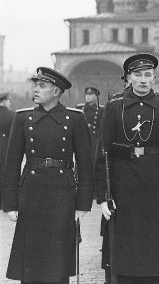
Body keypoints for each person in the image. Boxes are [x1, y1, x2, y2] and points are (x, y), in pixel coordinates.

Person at [95, 53, 159, 284]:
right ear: (128, 78)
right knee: (124, 253)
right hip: (123, 184)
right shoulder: (114, 106)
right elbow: (102, 154)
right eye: (137, 75)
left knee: (151, 252)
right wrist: (104, 196)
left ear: (154, 77)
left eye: (147, 75)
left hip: (155, 185)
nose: (143, 80)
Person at [3, 67, 94, 284]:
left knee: (58, 259)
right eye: (36, 85)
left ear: (56, 92)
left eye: (42, 86)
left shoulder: (74, 119)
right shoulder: (23, 118)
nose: (35, 89)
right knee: (31, 257)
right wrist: (10, 204)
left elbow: (84, 163)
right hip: (31, 192)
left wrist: (82, 204)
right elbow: (12, 164)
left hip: (62, 193)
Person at [77, 86, 104, 162]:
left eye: (90, 95)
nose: (87, 97)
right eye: (86, 95)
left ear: (96, 96)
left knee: (93, 161)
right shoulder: (79, 108)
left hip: (94, 141)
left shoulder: (101, 109)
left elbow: (102, 128)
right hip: (81, 139)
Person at [0, 92, 14, 209]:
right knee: (6, 175)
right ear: (4, 101)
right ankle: (5, 203)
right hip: (6, 147)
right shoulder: (12, 115)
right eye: (9, 101)